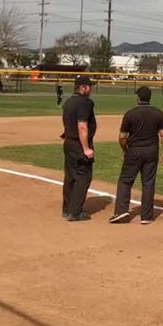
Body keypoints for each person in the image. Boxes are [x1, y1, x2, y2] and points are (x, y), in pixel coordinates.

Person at [110, 86, 163, 225]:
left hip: (134, 150)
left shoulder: (130, 114)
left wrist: (125, 150)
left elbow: (122, 137)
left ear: (138, 98)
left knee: (125, 181)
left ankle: (121, 211)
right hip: (152, 150)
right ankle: (146, 216)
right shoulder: (158, 113)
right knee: (148, 182)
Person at [60, 76, 97, 221]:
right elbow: (82, 126)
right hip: (79, 144)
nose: (91, 89)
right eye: (89, 86)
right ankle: (75, 212)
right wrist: (86, 148)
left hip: (69, 142)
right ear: (82, 87)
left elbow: (65, 121)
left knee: (70, 176)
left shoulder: (68, 102)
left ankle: (67, 209)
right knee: (83, 176)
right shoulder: (85, 103)